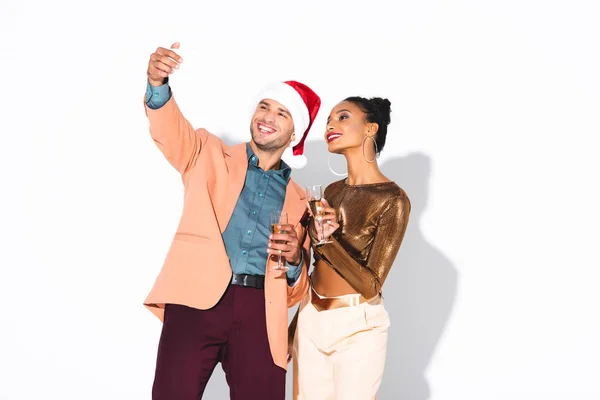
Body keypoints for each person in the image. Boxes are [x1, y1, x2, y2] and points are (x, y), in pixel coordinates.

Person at [143, 42, 320, 400]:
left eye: (282, 114)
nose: (267, 117)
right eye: (264, 106)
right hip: (197, 299)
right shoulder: (208, 152)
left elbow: (298, 290)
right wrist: (156, 82)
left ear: (295, 133)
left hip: (260, 311)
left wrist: (295, 261)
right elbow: (170, 131)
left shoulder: (301, 200)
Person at [289, 96, 411, 400]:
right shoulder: (331, 192)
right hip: (311, 316)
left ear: (370, 128)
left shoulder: (392, 199)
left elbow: (371, 285)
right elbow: (316, 266)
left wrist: (327, 242)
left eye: (342, 117)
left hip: (359, 327)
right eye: (329, 119)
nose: (330, 124)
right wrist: (295, 325)